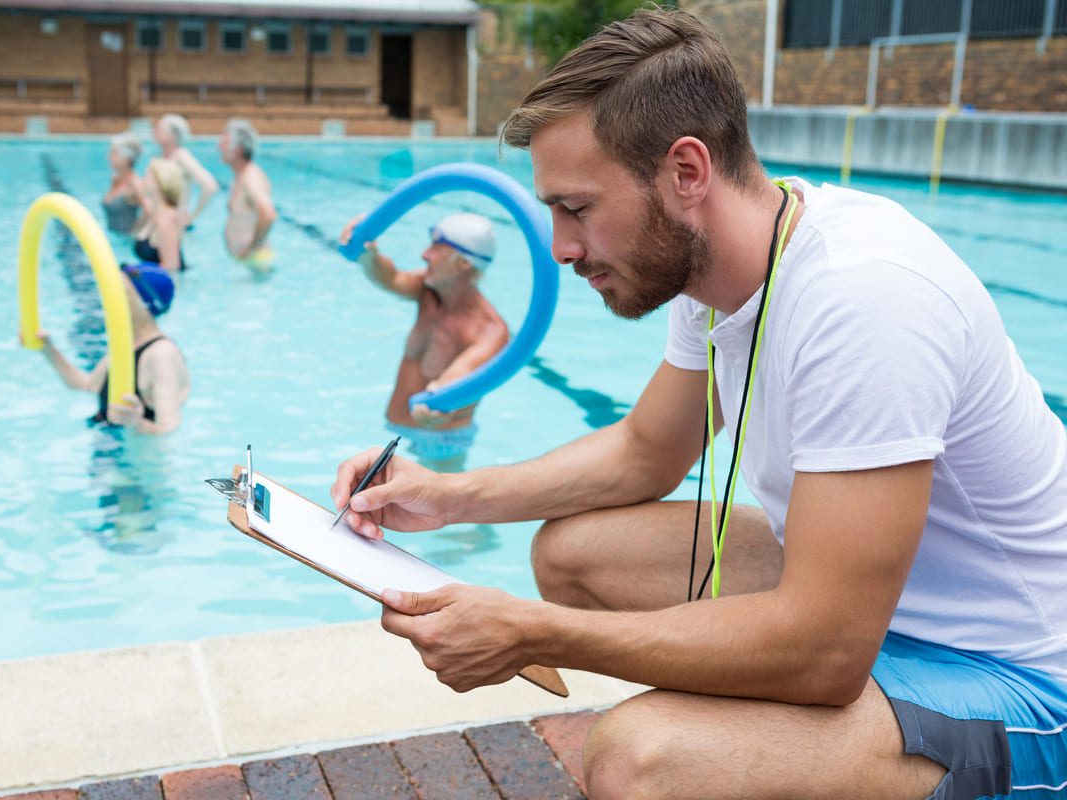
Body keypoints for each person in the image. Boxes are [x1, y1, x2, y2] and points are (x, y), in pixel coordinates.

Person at [330, 9, 1067, 799]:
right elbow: (645, 452)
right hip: (886, 617)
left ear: (686, 173)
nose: (560, 248)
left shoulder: (865, 299)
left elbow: (826, 649)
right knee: (573, 554)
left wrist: (532, 633)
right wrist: (446, 496)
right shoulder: (714, 268)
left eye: (577, 208)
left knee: (642, 759)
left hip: (1020, 676)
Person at [339, 212, 509, 470]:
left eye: (437, 248)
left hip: (440, 442)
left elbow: (449, 386)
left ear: (463, 263)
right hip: (394, 429)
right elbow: (392, 278)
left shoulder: (488, 332)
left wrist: (436, 406)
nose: (425, 254)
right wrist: (367, 254)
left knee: (435, 511)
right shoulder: (429, 291)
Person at [31, 262, 189, 434]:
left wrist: (136, 422)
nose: (108, 299)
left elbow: (169, 427)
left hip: (137, 457)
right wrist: (47, 349)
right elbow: (86, 386)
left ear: (144, 304)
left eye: (121, 293)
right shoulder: (126, 344)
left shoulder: (160, 354)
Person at [220, 118, 277, 270]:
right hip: (248, 262)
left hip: (255, 262)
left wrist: (252, 247)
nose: (219, 147)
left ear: (238, 150)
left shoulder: (251, 178)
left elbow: (268, 214)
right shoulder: (241, 176)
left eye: (224, 143)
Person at [153, 113, 219, 228]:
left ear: (173, 134)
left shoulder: (181, 156)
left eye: (160, 129)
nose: (155, 131)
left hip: (176, 225)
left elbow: (210, 186)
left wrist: (192, 216)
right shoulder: (161, 157)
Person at [133, 158, 187, 273]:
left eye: (147, 176)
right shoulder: (155, 213)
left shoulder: (166, 219)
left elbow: (172, 268)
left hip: (165, 285)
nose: (142, 180)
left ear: (160, 181)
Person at [101, 133, 144, 236]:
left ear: (127, 158)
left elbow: (150, 211)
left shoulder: (135, 183)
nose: (108, 158)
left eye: (113, 154)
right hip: (113, 239)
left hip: (127, 243)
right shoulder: (115, 179)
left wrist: (136, 232)